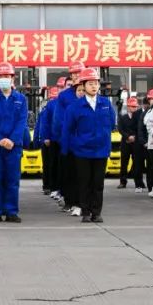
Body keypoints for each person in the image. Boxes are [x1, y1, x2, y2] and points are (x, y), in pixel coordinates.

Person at [60, 68, 116, 223]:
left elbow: (112, 124)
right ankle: (85, 211)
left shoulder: (105, 103)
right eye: (90, 83)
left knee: (98, 183)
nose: (94, 86)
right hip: (82, 151)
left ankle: (96, 212)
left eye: (96, 83)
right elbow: (68, 129)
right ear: (83, 85)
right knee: (84, 182)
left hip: (101, 150)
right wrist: (68, 148)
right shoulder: (75, 107)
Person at [0, 62, 30, 223]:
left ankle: (11, 212)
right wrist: (0, 139)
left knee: (12, 180)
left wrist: (12, 140)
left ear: (12, 78)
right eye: (0, 76)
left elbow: (22, 121)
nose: (3, 79)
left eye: (6, 76)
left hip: (14, 146)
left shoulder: (21, 99)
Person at [53, 62, 86, 215]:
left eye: (79, 72)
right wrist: (63, 138)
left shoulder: (91, 93)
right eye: (74, 73)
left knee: (83, 174)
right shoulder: (64, 96)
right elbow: (59, 119)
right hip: (68, 140)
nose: (77, 76)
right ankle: (69, 201)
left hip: (85, 141)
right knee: (68, 173)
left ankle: (82, 203)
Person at [117, 97, 144, 191]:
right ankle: (122, 182)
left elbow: (140, 129)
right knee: (124, 162)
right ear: (128, 107)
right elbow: (120, 129)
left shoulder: (140, 117)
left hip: (136, 143)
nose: (134, 108)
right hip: (125, 142)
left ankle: (139, 182)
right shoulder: (123, 117)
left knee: (137, 163)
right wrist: (127, 137)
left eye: (135, 107)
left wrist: (135, 137)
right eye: (132, 106)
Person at [37, 86, 59, 196]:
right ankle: (47, 185)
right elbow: (43, 125)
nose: (52, 100)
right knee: (48, 164)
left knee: (51, 164)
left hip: (53, 138)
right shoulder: (47, 108)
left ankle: (50, 186)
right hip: (49, 139)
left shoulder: (53, 107)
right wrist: (45, 137)